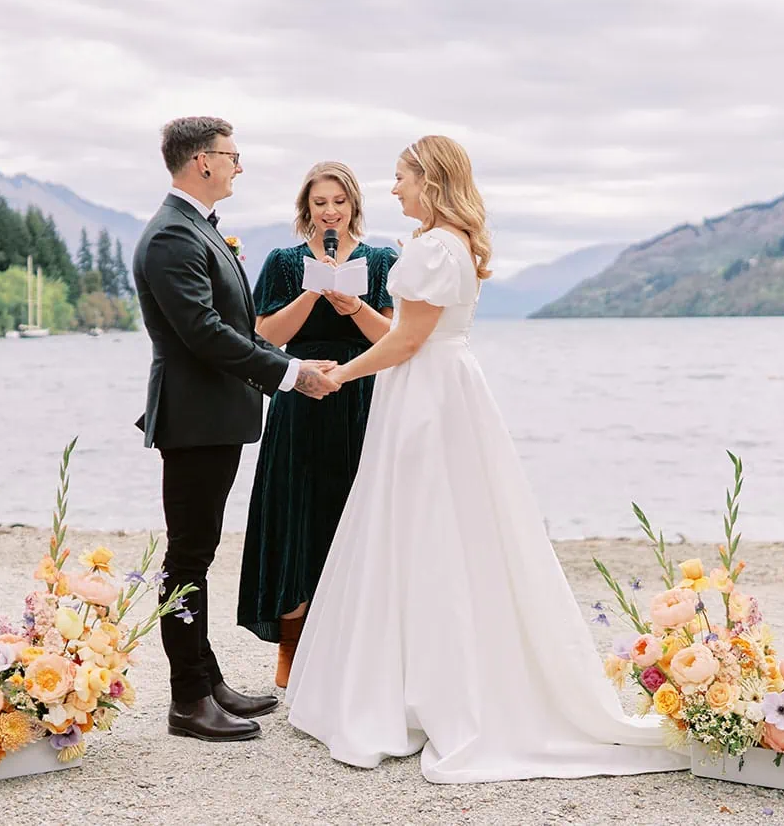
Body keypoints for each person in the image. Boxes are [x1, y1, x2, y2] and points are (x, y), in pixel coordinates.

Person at [287, 136, 684, 783]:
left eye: (400, 178)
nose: (393, 190)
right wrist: (358, 319)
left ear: (430, 180)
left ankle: (417, 686)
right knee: (451, 527)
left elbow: (408, 341)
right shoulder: (453, 244)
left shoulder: (429, 246)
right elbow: (411, 335)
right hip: (443, 386)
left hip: (425, 395)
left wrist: (339, 375)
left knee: (421, 526)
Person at [131, 116, 340, 743]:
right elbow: (203, 334)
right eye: (232, 156)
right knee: (187, 559)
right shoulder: (172, 236)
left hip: (212, 416)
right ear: (202, 162)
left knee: (197, 554)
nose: (238, 166)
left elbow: (232, 324)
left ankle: (207, 677)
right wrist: (292, 374)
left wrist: (290, 364)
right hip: (193, 419)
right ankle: (187, 699)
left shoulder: (196, 229)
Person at [239, 162, 397, 689]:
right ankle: (291, 647)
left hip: (360, 399)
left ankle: (357, 650)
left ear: (354, 206)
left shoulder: (381, 260)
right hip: (300, 400)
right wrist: (311, 291)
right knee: (296, 519)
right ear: (306, 208)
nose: (330, 212)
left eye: (339, 202)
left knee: (354, 515)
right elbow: (264, 335)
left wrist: (352, 306)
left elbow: (393, 337)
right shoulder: (284, 262)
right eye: (320, 202)